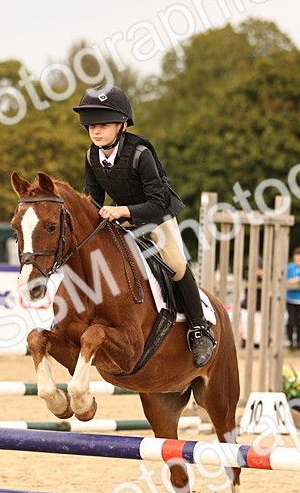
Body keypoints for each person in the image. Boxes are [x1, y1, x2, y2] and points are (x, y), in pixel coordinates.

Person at [74, 85, 216, 367]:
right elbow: (93, 198)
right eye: (91, 125)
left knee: (175, 265)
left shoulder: (141, 154)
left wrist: (122, 210)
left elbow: (158, 201)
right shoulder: (92, 156)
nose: (95, 131)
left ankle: (200, 329)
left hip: (156, 216)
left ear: (122, 124)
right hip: (120, 216)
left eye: (102, 124)